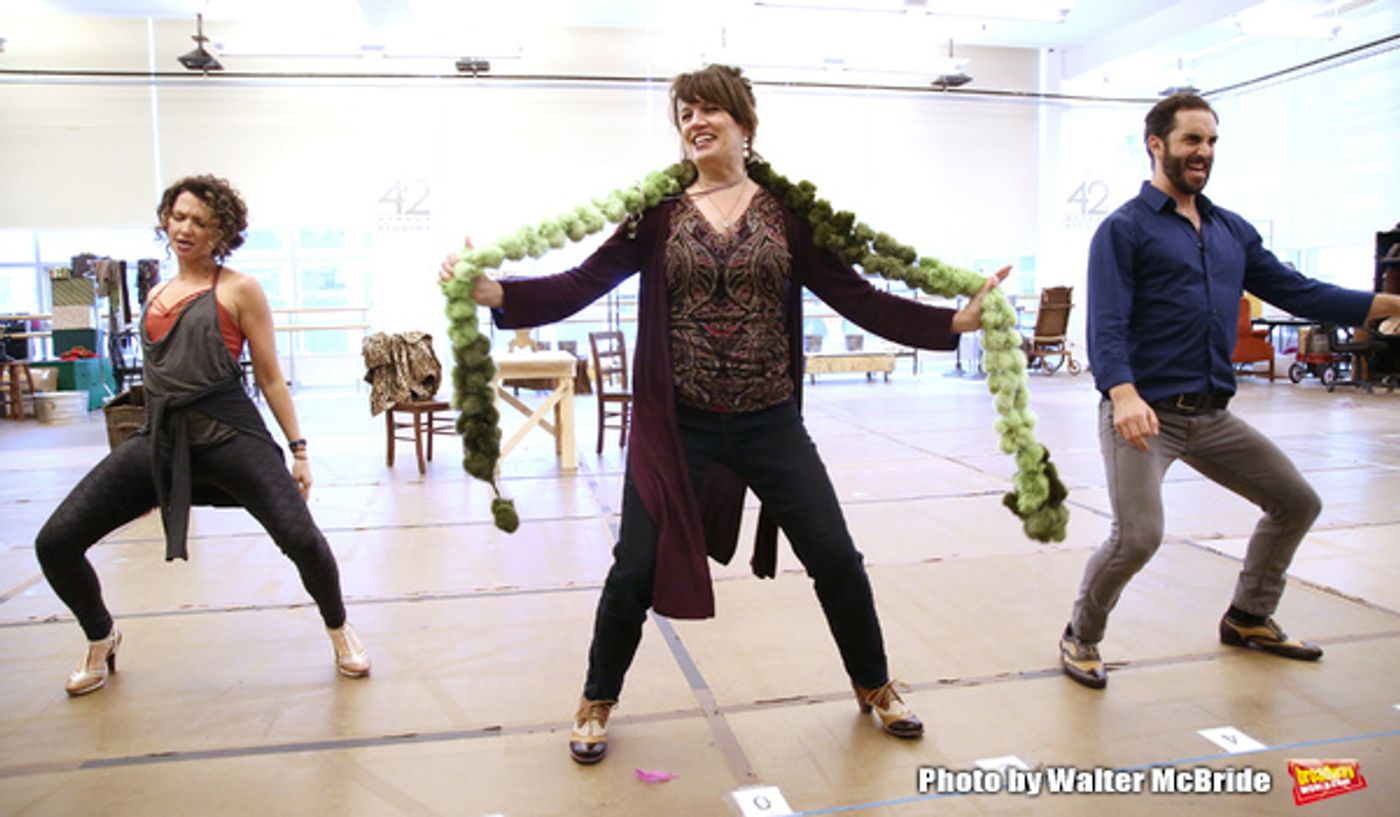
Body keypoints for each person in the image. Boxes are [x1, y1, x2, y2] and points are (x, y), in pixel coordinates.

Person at [441, 64, 1008, 763]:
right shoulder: (658, 213)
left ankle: (875, 683)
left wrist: (956, 321)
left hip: (770, 420)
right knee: (633, 566)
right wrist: (497, 292)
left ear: (745, 122)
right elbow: (582, 281)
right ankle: (596, 696)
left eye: (710, 109)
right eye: (684, 114)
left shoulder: (787, 213)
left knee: (835, 554)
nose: (694, 122)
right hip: (678, 425)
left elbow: (857, 296)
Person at [1060, 93, 1400, 689]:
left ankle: (1249, 617)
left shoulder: (1228, 231)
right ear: (1157, 144)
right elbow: (1105, 324)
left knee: (1297, 501)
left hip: (1212, 414)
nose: (1204, 152)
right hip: (1145, 414)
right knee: (1138, 536)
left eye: (1212, 141)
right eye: (1193, 140)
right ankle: (1080, 636)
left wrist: (1385, 304)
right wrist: (1122, 394)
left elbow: (1302, 292)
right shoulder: (1125, 230)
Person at [35, 174, 370, 696]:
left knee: (302, 538)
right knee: (55, 542)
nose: (186, 228)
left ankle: (339, 627)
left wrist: (299, 451)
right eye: (179, 216)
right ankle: (102, 636)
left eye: (201, 221)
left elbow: (270, 376)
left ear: (222, 233)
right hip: (161, 441)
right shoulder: (156, 293)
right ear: (166, 219)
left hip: (231, 435)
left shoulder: (239, 289)